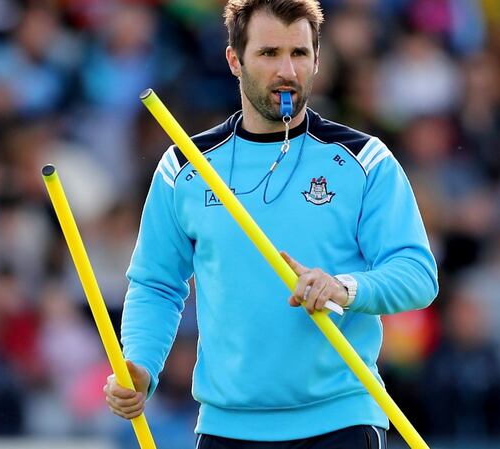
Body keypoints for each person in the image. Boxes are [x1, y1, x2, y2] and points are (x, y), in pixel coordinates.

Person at [104, 1, 438, 447]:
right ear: (234, 60)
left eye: (299, 54)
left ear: (318, 59)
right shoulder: (185, 167)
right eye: (268, 53)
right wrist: (142, 364)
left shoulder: (365, 160)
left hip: (341, 423)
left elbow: (417, 274)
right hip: (226, 428)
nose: (287, 71)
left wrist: (344, 288)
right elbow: (156, 284)